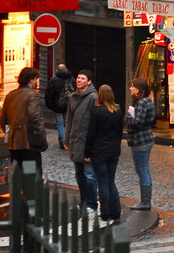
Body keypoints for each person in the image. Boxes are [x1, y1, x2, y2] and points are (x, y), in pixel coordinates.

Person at [85, 85, 124, 224]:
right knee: (111, 181)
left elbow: (91, 133)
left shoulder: (96, 111)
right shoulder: (118, 111)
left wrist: (87, 152)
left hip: (99, 150)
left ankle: (106, 212)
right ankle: (116, 211)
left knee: (102, 181)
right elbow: (120, 132)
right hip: (113, 150)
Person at [0, 67, 48, 176]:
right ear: (32, 79)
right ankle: (29, 192)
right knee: (30, 173)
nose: (36, 82)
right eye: (36, 79)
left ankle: (19, 192)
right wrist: (41, 138)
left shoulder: (10, 94)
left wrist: (10, 132)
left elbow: (3, 119)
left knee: (18, 173)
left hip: (14, 143)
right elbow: (35, 117)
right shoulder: (32, 94)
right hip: (28, 143)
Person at [65, 69, 99, 212]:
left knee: (90, 174)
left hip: (87, 142)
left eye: (82, 78)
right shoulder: (72, 97)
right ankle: (83, 200)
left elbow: (95, 121)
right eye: (78, 78)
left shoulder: (93, 97)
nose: (79, 80)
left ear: (89, 82)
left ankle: (92, 203)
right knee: (79, 174)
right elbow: (69, 119)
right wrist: (66, 138)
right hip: (75, 141)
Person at [125, 78, 156, 210]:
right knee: (144, 169)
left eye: (132, 86)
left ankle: (145, 202)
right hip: (146, 139)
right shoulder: (147, 101)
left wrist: (128, 116)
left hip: (140, 140)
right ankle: (145, 200)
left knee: (142, 170)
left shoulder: (142, 103)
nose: (130, 88)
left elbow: (137, 122)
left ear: (138, 89)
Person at [44, 64, 74, 149]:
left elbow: (49, 94)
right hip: (69, 105)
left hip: (57, 106)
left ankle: (63, 142)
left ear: (57, 70)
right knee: (68, 123)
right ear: (66, 69)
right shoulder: (71, 79)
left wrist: (49, 105)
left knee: (60, 123)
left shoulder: (54, 80)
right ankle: (67, 141)